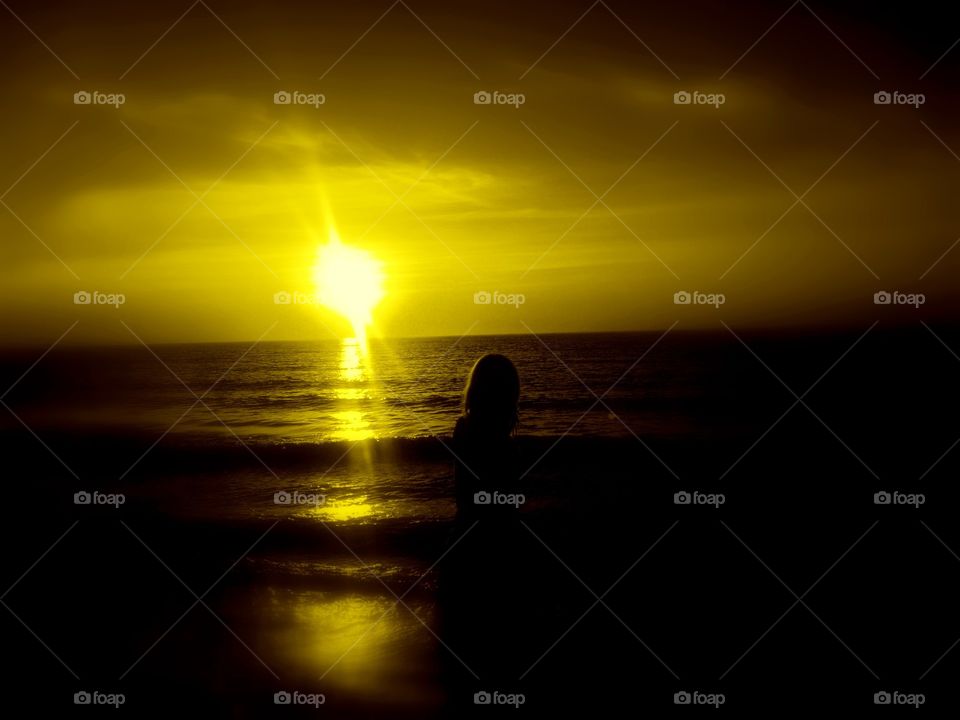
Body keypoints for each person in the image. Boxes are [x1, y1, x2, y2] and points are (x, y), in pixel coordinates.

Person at [438, 354, 529, 711]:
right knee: (495, 648)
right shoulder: (492, 441)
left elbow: (466, 496)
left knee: (466, 652)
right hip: (492, 549)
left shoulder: (466, 431)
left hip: (465, 544)